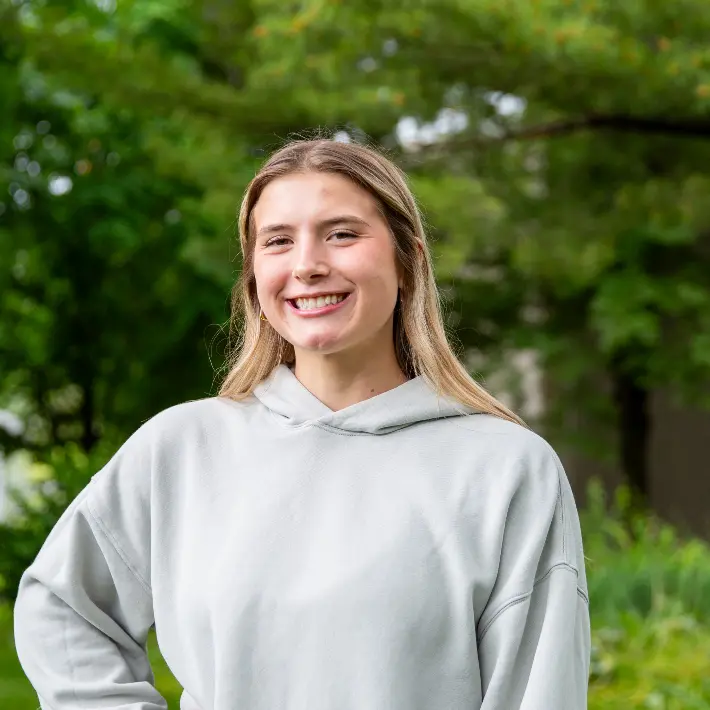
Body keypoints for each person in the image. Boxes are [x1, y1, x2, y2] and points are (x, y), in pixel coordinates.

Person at [14, 137, 591, 709]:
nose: (307, 265)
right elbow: (64, 608)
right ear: (254, 274)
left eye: (341, 234)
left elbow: (537, 693)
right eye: (278, 241)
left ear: (408, 258)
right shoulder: (181, 449)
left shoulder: (506, 468)